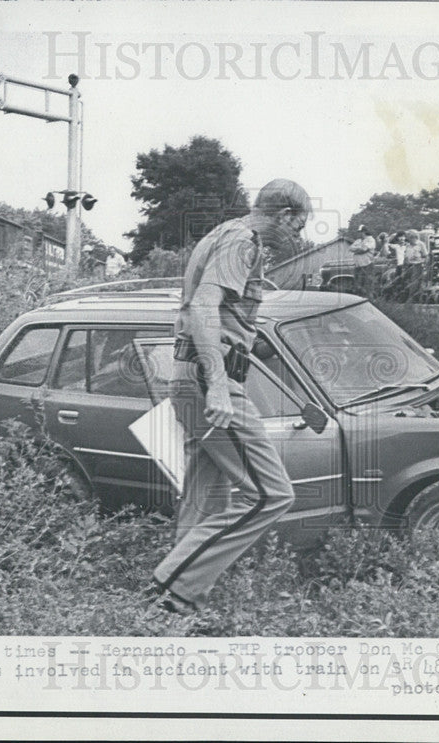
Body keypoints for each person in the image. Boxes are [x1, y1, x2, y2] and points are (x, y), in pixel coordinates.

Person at [146, 178, 311, 614]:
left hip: (190, 371)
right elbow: (203, 307)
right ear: (284, 214)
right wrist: (219, 384)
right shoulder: (243, 241)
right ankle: (172, 586)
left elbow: (217, 314)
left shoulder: (225, 234)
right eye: (300, 226)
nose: (300, 237)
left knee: (207, 496)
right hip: (208, 378)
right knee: (271, 495)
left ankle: (173, 610)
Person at [349, 224, 377, 296]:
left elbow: (364, 249)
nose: (360, 233)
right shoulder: (359, 240)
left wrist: (357, 250)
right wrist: (359, 248)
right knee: (358, 285)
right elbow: (350, 248)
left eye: (361, 232)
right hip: (358, 266)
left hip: (367, 265)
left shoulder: (371, 240)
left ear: (364, 231)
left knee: (367, 285)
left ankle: (369, 301)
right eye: (359, 232)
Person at [402, 229, 428, 301]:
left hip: (417, 265)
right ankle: (408, 296)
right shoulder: (407, 245)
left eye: (410, 237)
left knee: (415, 281)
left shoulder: (420, 244)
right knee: (407, 280)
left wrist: (424, 265)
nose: (408, 239)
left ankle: (412, 298)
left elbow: (425, 255)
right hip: (408, 265)